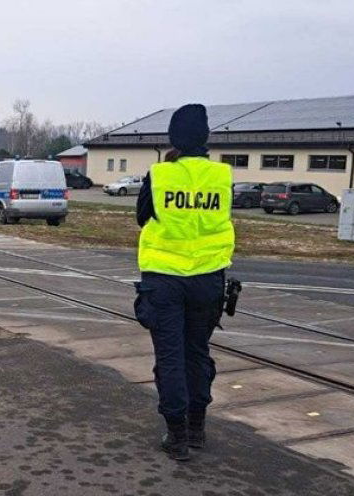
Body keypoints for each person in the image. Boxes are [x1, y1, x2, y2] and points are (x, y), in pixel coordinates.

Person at [134, 104, 235, 461]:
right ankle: (197, 428)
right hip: (208, 280)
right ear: (206, 138)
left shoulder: (160, 175)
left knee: (171, 356)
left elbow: (141, 216)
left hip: (164, 280)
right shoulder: (221, 176)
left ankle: (176, 437)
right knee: (197, 352)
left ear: (174, 138)